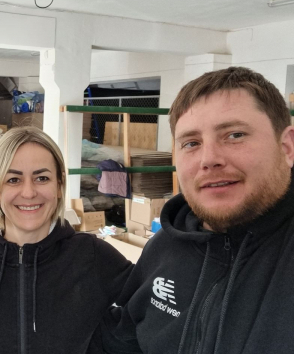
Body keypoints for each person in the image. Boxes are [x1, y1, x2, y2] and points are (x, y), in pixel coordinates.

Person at [102, 66, 294, 353]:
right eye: (191, 143)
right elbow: (126, 338)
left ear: (287, 147)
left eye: (235, 135)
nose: (209, 159)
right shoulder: (165, 246)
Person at [0, 126, 133, 353]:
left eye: (42, 178)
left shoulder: (91, 255)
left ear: (59, 185)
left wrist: (102, 342)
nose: (29, 193)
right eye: (13, 179)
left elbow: (153, 311)